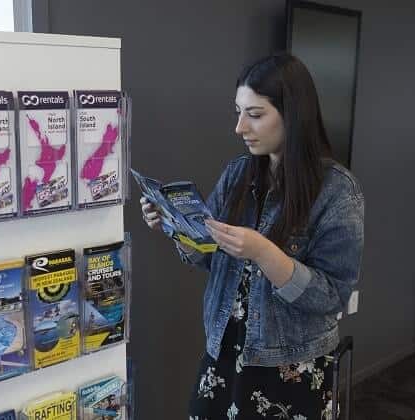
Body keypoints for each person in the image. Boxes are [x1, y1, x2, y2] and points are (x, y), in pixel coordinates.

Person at [140, 52, 364, 420]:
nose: (240, 127)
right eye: (238, 112)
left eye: (255, 115)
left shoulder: (338, 192)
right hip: (224, 350)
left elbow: (332, 296)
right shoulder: (238, 174)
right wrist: (175, 227)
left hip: (290, 367)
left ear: (293, 116)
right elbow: (212, 255)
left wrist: (264, 253)